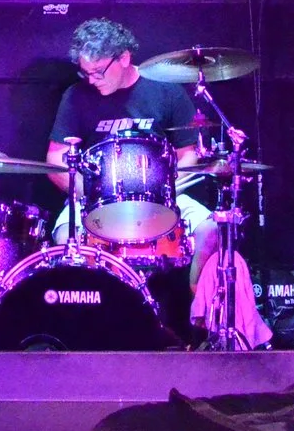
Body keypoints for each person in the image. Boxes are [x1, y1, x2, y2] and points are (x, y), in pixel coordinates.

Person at [45, 18, 268, 346]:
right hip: (96, 199)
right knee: (66, 238)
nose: (92, 80)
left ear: (123, 58)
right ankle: (88, 333)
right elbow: (55, 160)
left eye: (99, 72)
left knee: (214, 230)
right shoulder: (76, 96)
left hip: (163, 196)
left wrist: (163, 189)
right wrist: (88, 193)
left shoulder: (165, 89)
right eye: (86, 73)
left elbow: (189, 155)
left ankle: (197, 307)